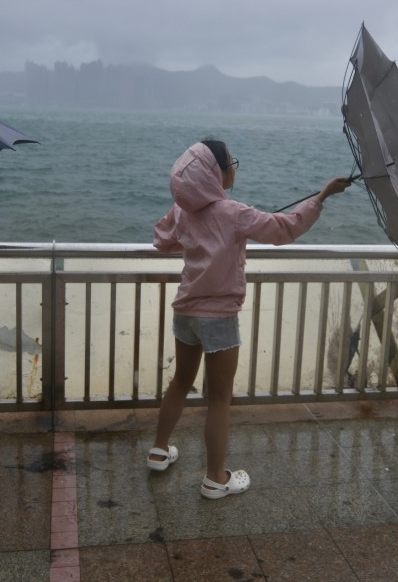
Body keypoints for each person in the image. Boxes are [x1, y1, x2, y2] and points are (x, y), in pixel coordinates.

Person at [148, 140, 351, 499]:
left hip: (185, 311)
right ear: (218, 173)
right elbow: (284, 229)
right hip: (220, 318)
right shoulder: (234, 213)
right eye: (232, 163)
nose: (235, 169)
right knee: (220, 399)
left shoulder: (183, 210)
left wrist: (199, 241)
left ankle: (159, 451)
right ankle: (215, 478)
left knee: (180, 381)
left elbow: (163, 240)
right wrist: (322, 196)